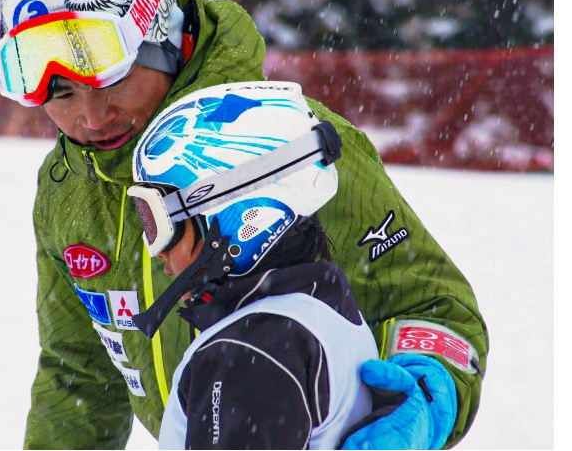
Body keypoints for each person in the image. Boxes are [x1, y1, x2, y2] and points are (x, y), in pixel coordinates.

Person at [0, 0, 487, 449]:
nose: (91, 117)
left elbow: (433, 307)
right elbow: (79, 373)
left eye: (112, 81)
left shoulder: (285, 151)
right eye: (65, 95)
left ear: (162, 43)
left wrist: (425, 395)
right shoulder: (70, 191)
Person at [125, 81, 382, 449]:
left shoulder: (246, 355)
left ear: (237, 220)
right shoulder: (321, 304)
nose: (156, 252)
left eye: (159, 225)